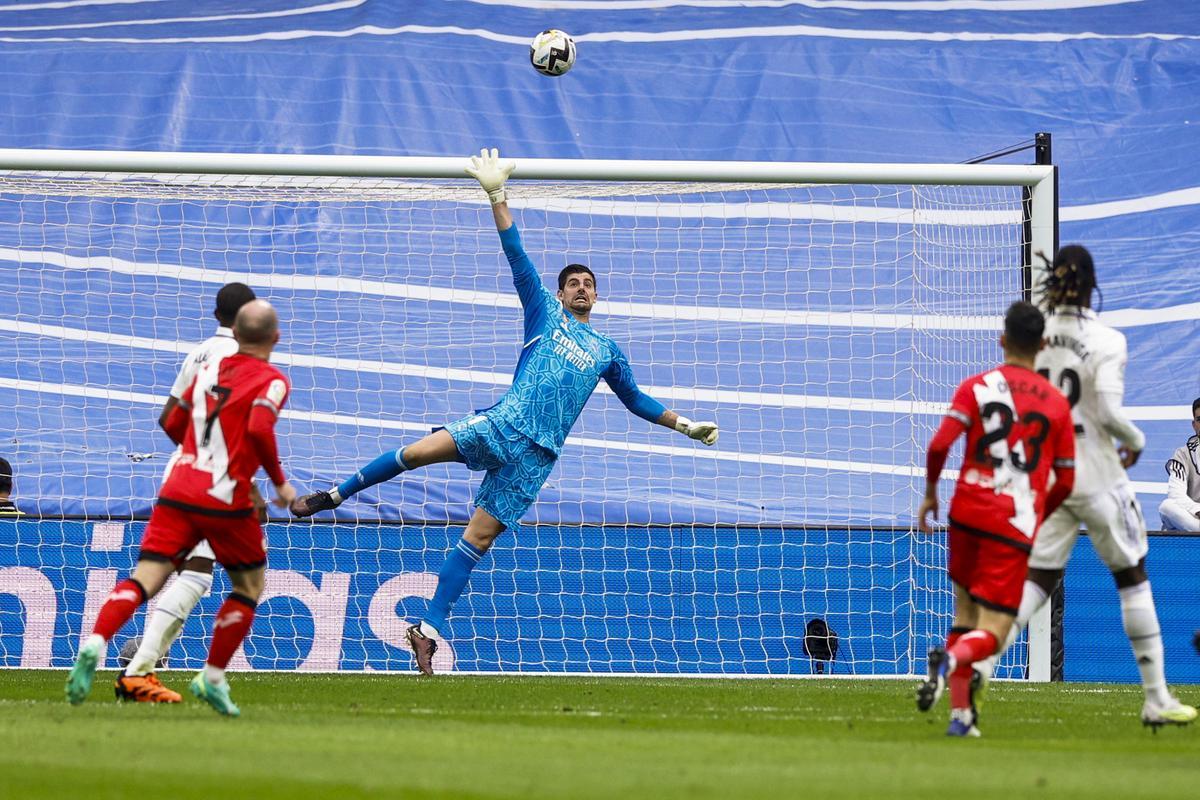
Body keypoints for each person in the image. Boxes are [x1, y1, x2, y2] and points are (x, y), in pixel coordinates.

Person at [290, 148, 720, 675]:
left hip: (537, 457)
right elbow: (516, 255)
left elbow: (635, 401)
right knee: (419, 452)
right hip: (504, 424)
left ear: (597, 295)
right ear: (560, 294)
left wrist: (684, 424)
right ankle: (335, 494)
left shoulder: (607, 349)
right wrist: (497, 195)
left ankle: (426, 629)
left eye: (589, 283)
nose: (582, 288)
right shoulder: (544, 314)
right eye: (573, 283)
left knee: (479, 537)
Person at [979, 246, 1196, 728]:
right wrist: (1136, 440)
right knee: (1131, 578)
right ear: (1093, 281)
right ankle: (1156, 697)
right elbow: (1109, 415)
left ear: (1052, 281)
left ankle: (978, 665)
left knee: (1037, 580)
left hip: (1051, 476)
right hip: (1098, 472)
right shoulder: (1109, 341)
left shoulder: (1037, 338)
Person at [66, 300, 296, 716]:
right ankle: (210, 676)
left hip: (178, 485)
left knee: (145, 578)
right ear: (275, 338)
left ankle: (97, 642)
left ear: (232, 332)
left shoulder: (207, 368)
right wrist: (277, 483)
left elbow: (173, 420)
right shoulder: (274, 380)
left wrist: (195, 453)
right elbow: (260, 426)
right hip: (224, 496)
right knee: (248, 586)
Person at [916, 300, 1076, 737]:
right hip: (1012, 519)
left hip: (966, 510)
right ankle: (949, 661)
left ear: (1002, 339)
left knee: (963, 614)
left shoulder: (977, 386)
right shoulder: (1057, 406)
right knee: (996, 628)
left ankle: (961, 717)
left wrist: (931, 494)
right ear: (1042, 345)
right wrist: (1040, 511)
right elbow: (1065, 478)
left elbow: (937, 447)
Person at [114, 282, 260, 703]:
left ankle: (143, 660)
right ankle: (141, 664)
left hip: (183, 471)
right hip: (219, 478)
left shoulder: (197, 353)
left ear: (216, 315)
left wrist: (193, 449)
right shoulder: (244, 358)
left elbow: (168, 417)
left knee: (181, 571)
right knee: (199, 575)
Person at [1157, 398, 1200, 532]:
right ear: (1194, 425)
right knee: (1167, 507)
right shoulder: (1182, 455)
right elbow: (1175, 494)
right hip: (1193, 518)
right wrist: (1197, 510)